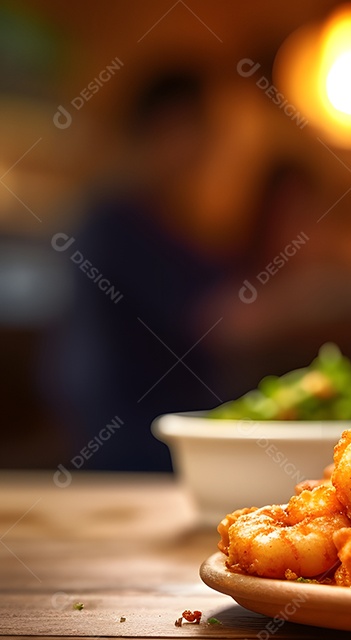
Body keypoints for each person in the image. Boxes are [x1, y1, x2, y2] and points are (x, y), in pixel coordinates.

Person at [43, 68, 230, 471]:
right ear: (164, 128)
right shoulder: (118, 224)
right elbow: (219, 319)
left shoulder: (171, 222)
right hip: (129, 434)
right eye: (200, 129)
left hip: (164, 427)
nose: (208, 148)